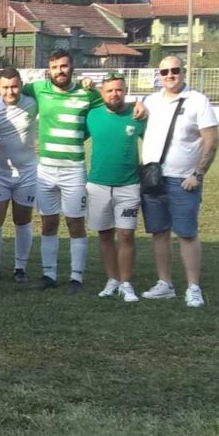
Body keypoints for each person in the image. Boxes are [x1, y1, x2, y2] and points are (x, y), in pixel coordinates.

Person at [0, 50, 100, 294]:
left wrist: (96, 88)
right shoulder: (37, 90)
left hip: (61, 169)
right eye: (55, 67)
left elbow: (105, 107)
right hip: (36, 170)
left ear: (72, 67)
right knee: (46, 222)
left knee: (72, 222)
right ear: (49, 70)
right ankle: (45, 274)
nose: (60, 71)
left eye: (64, 66)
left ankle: (72, 276)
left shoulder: (81, 93)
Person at [137, 54, 219, 307]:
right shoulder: (151, 101)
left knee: (186, 233)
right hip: (153, 178)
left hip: (183, 180)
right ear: (159, 75)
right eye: (164, 72)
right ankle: (165, 283)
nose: (170, 75)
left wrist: (198, 174)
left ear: (183, 72)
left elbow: (212, 140)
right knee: (159, 232)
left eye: (175, 70)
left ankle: (193, 287)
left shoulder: (197, 101)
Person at [85, 74, 145, 303]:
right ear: (102, 93)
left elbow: (153, 143)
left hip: (129, 185)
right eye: (109, 90)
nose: (114, 94)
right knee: (105, 234)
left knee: (126, 234)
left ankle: (126, 283)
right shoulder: (92, 115)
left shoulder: (137, 115)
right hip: (98, 184)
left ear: (125, 91)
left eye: (119, 90)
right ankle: (112, 279)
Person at [0, 68, 38, 283]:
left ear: (21, 85)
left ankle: (20, 268)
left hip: (27, 172)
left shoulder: (32, 102)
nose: (10, 91)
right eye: (5, 87)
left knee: (22, 219)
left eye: (14, 86)